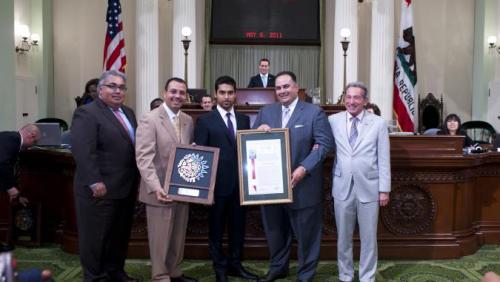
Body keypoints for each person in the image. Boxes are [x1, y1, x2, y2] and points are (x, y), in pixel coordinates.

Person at [253, 71, 334, 282]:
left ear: (296, 87)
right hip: (271, 188)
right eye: (278, 88)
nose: (282, 91)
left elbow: (324, 145)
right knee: (275, 233)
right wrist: (257, 131)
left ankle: (305, 275)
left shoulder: (313, 112)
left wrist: (303, 169)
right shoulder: (265, 112)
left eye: (286, 86)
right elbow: (250, 146)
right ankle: (278, 267)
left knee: (307, 236)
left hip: (303, 186)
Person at [70, 70, 140, 282]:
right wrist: (94, 180)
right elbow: (83, 151)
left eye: (121, 87)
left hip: (125, 188)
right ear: (100, 90)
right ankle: (94, 277)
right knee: (96, 239)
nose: (117, 91)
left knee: (118, 237)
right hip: (99, 190)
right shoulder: (87, 113)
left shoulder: (128, 113)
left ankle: (116, 273)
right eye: (112, 86)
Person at [194, 76, 257, 282]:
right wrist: (206, 190)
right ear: (215, 94)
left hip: (240, 187)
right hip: (216, 188)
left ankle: (235, 265)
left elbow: (248, 151)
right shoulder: (204, 121)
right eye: (222, 92)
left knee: (238, 229)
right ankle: (220, 268)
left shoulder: (244, 119)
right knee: (217, 230)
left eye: (230, 92)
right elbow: (202, 158)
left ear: (235, 94)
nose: (226, 97)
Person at [135, 77, 197, 282]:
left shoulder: (187, 120)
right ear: (164, 93)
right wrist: (155, 186)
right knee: (161, 237)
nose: (177, 96)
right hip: (159, 191)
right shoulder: (150, 119)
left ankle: (174, 271)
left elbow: (184, 152)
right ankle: (160, 276)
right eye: (173, 91)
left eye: (181, 92)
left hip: (181, 190)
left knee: (178, 235)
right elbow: (144, 158)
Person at [328, 82, 391, 282]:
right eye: (348, 97)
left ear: (365, 101)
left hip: (370, 188)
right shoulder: (332, 121)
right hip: (342, 187)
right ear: (344, 98)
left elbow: (384, 158)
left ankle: (367, 277)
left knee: (369, 239)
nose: (352, 101)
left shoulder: (378, 123)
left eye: (356, 98)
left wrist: (384, 190)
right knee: (343, 238)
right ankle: (345, 275)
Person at [0, 124, 40, 204]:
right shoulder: (14, 140)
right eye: (35, 142)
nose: (32, 146)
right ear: (32, 136)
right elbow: (2, 163)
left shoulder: (9, 136)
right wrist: (10, 187)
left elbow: (9, 169)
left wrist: (17, 194)